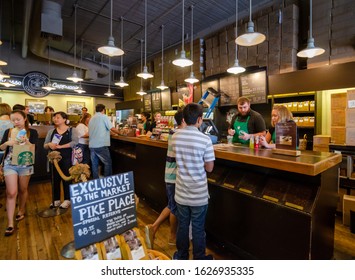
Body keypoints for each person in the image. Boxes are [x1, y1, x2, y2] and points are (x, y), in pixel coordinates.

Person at [171, 103, 215, 260]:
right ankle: (199, 258)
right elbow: (209, 168)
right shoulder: (205, 140)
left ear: (183, 118)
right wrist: (199, 162)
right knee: (197, 228)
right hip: (199, 194)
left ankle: (181, 256)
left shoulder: (175, 136)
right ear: (199, 119)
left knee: (183, 226)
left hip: (181, 192)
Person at [145, 110, 186, 249]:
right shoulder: (178, 135)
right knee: (174, 207)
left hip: (169, 174)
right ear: (184, 121)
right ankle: (172, 237)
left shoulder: (172, 132)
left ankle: (154, 227)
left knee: (171, 205)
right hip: (174, 176)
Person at [0, 110, 38, 236]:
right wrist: (7, 143)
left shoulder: (32, 132)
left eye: (18, 119)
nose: (16, 122)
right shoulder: (9, 132)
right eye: (13, 120)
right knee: (11, 192)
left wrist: (26, 142)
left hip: (25, 164)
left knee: (23, 189)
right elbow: (1, 147)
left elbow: (35, 148)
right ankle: (10, 223)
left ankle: (21, 210)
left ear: (25, 118)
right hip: (10, 164)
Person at [44, 112, 79, 209]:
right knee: (54, 179)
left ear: (64, 119)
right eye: (54, 117)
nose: (55, 119)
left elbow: (75, 142)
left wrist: (61, 146)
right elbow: (45, 145)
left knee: (67, 178)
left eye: (58, 117)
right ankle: (56, 200)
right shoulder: (51, 131)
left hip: (67, 158)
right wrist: (49, 145)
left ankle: (67, 199)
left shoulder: (72, 130)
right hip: (54, 159)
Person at [88, 104, 120, 179]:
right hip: (101, 145)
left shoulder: (92, 118)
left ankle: (96, 181)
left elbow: (100, 130)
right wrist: (120, 133)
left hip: (92, 145)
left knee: (94, 164)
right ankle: (107, 181)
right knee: (107, 163)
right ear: (103, 110)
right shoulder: (103, 116)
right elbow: (112, 128)